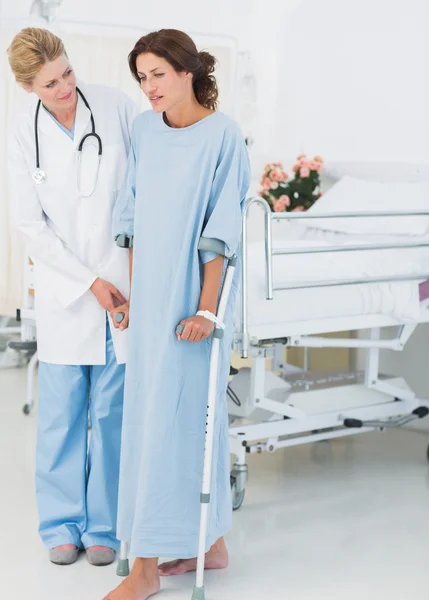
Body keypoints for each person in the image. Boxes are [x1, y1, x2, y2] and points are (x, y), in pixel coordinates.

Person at [105, 28, 250, 600]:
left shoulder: (223, 135)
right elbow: (134, 217)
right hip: (154, 300)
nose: (149, 88)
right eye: (141, 77)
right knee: (150, 422)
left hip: (195, 301)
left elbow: (221, 231)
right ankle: (207, 543)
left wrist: (207, 311)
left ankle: (147, 569)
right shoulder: (144, 130)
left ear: (187, 71)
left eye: (158, 74)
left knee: (188, 423)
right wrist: (139, 300)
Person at [7, 28, 139, 566]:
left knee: (111, 413)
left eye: (66, 73)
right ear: (27, 87)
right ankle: (61, 525)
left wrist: (119, 277)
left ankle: (104, 528)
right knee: (61, 417)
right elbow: (28, 224)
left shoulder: (115, 106)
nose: (65, 87)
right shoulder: (21, 132)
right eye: (50, 83)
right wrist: (87, 282)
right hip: (66, 293)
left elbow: (141, 186)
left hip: (122, 283)